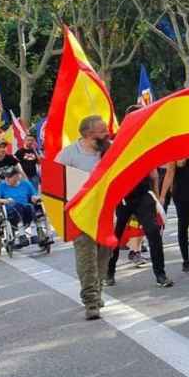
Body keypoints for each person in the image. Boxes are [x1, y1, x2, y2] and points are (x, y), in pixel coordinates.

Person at [55, 116, 113, 320]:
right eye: (102, 130)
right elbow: (54, 181)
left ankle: (97, 290)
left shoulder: (110, 150)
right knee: (87, 257)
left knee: (104, 254)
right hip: (80, 215)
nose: (107, 132)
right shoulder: (68, 154)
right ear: (88, 134)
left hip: (105, 213)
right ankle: (90, 301)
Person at [0, 166, 39, 246]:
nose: (7, 180)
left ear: (18, 176)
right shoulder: (2, 185)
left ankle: (34, 234)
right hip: (10, 213)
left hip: (25, 211)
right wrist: (6, 201)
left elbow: (34, 195)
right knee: (17, 206)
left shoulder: (26, 184)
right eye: (6, 177)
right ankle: (22, 235)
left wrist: (34, 197)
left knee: (30, 207)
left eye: (10, 177)